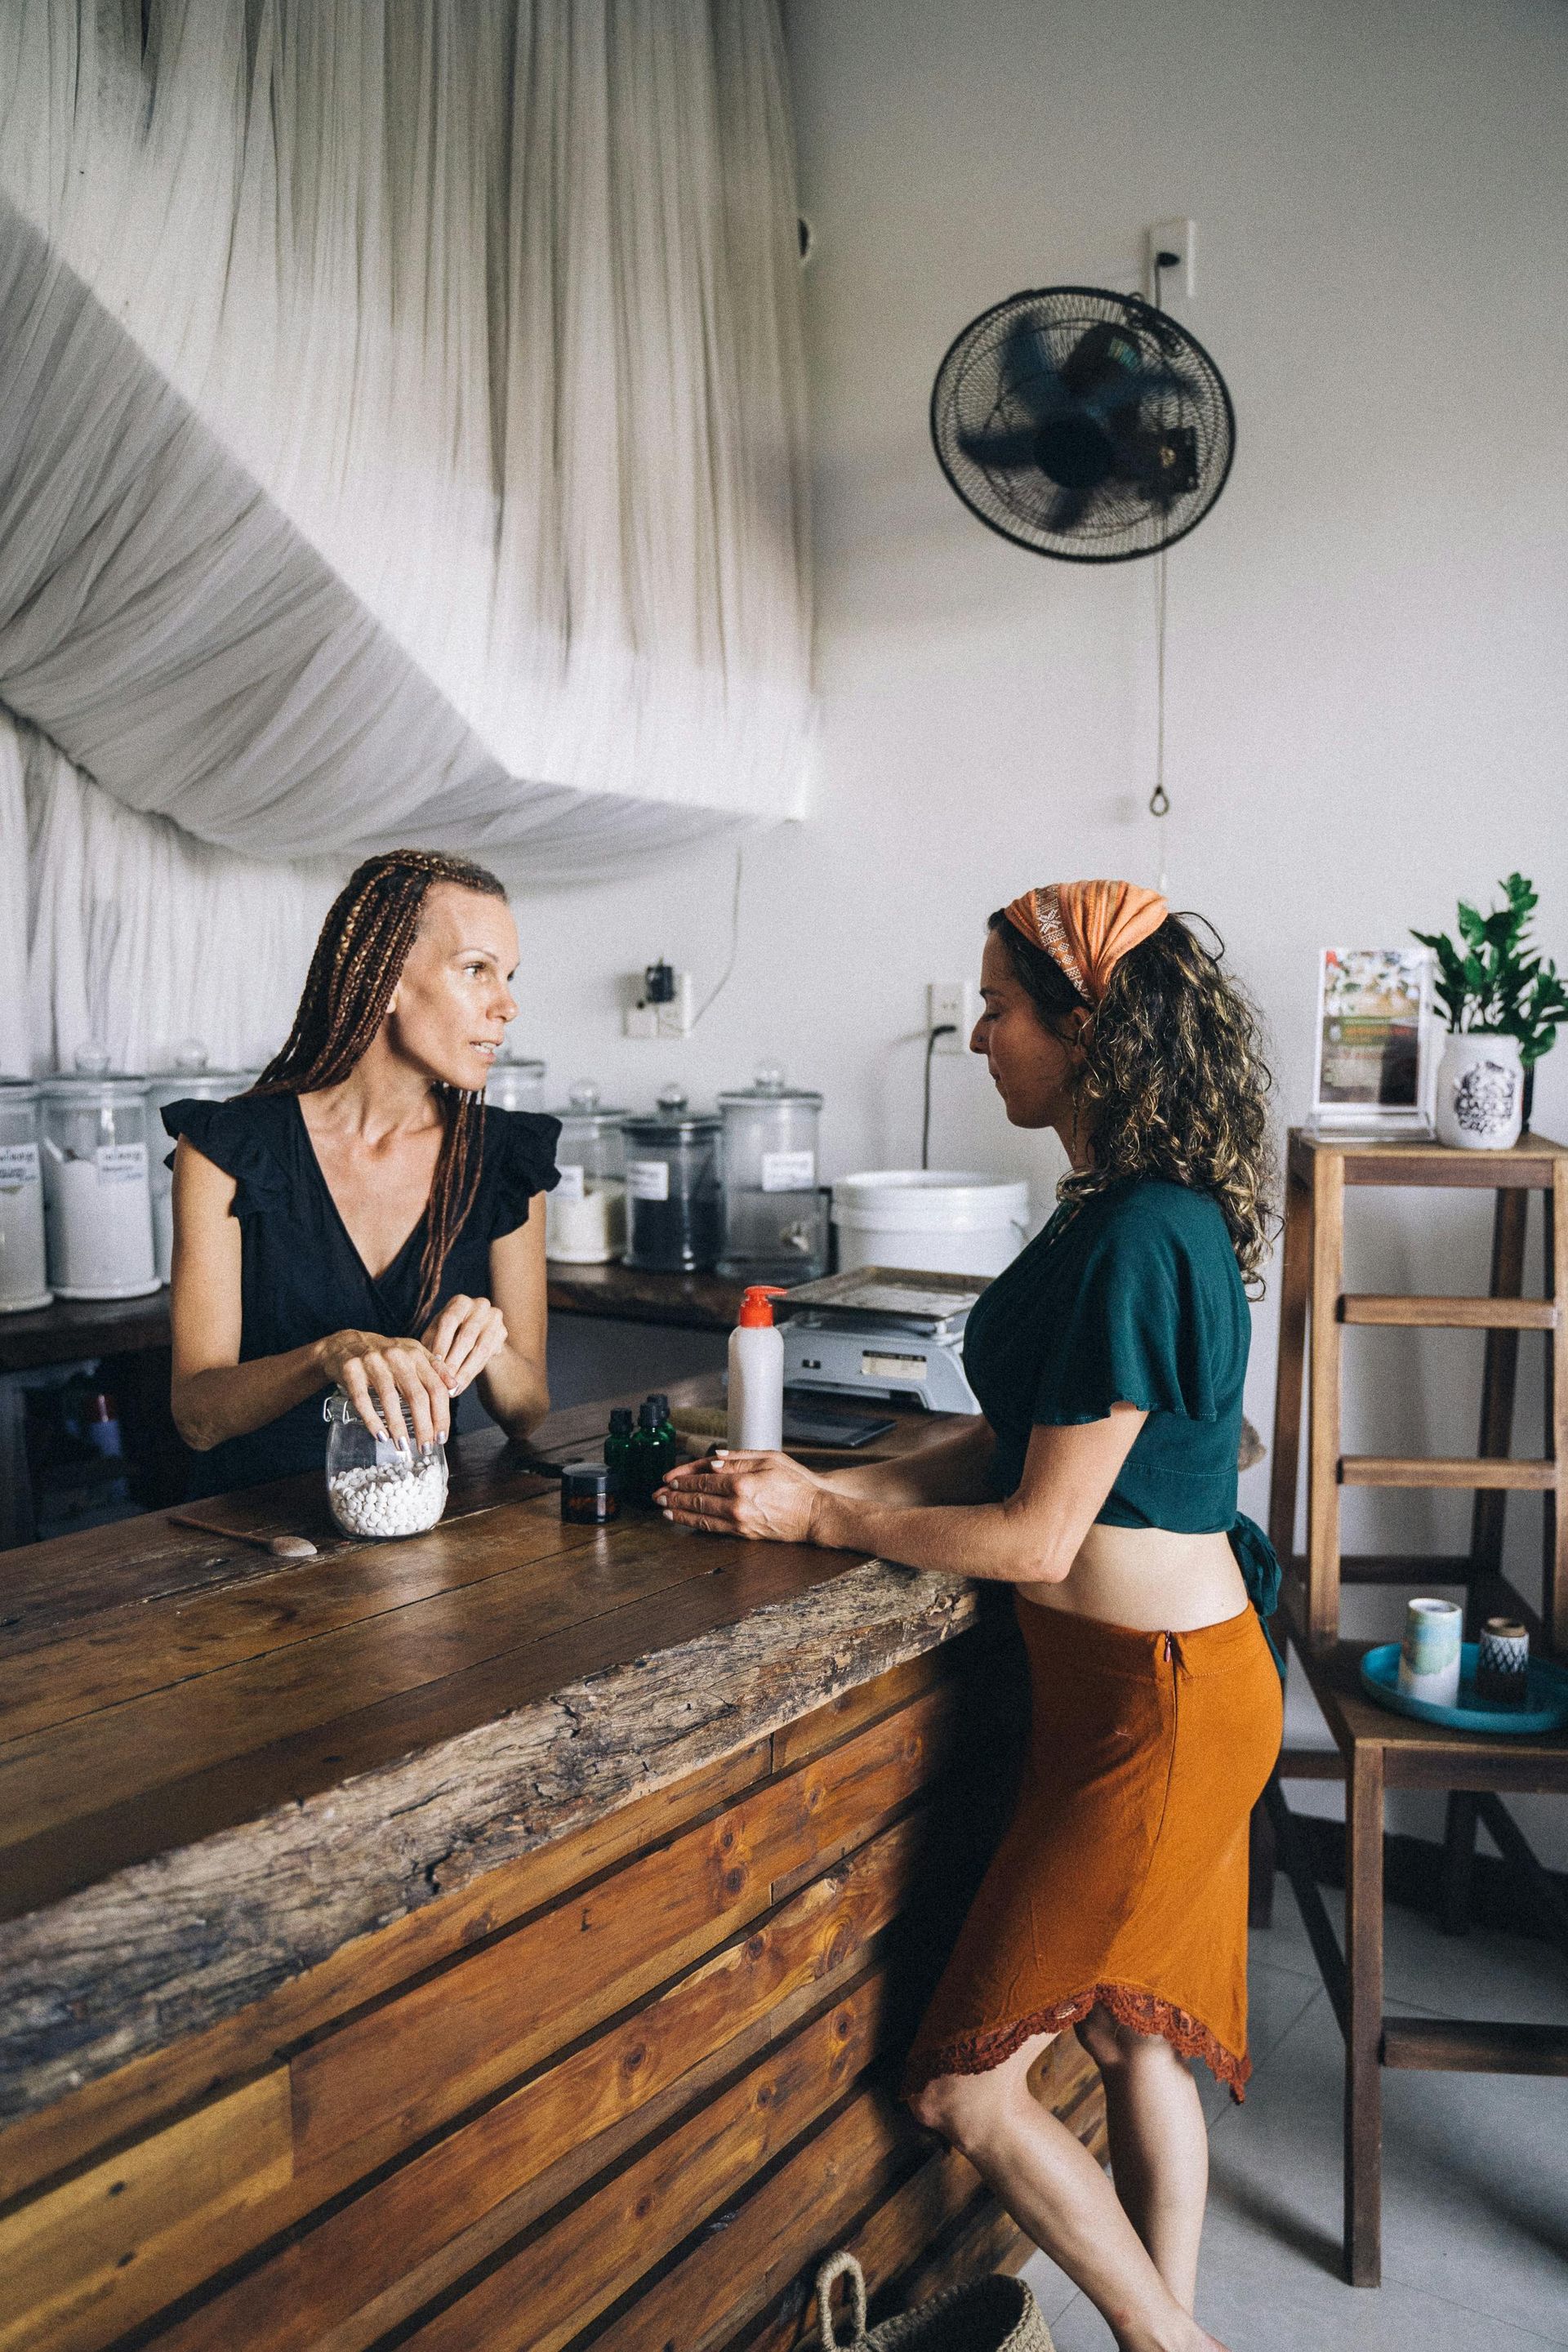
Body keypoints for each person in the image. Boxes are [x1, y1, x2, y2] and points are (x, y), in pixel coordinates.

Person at [657, 880, 1282, 2352]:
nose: (978, 1036)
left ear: (1086, 1029)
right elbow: (1050, 1452)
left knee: (961, 2090)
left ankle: (1169, 2344)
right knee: (1136, 2045)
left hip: (1157, 1710)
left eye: (999, 1009)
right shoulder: (1136, 1212)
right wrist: (858, 1471)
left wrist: (827, 1514)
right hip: (1173, 1686)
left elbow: (1042, 1530)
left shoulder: (1136, 1233)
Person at [163, 849, 558, 1495]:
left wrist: (488, 1346)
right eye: (476, 970)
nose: (507, 1005)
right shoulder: (228, 1148)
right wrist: (330, 1353)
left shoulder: (503, 1156)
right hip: (252, 1539)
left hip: (422, 1530)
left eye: (508, 975)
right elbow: (197, 1418)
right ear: (388, 980)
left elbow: (527, 1412)